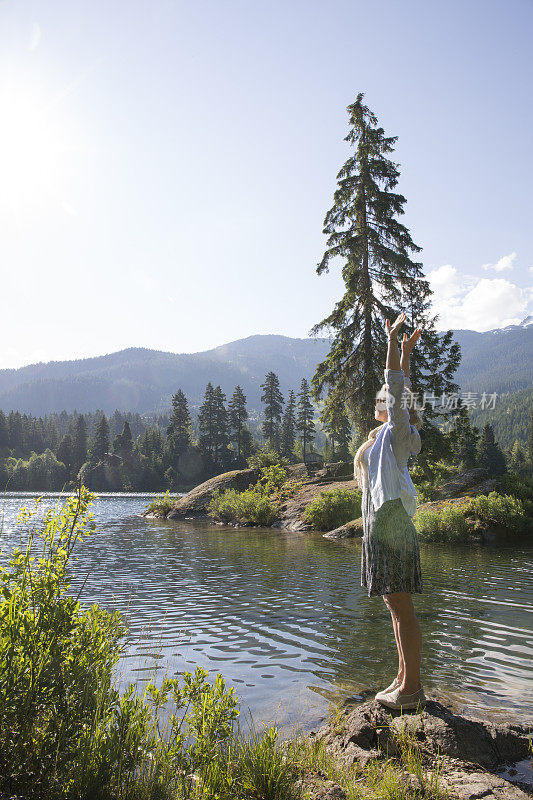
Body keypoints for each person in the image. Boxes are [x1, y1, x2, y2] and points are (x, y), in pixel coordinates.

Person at [353, 311, 426, 711]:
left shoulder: (400, 434)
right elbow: (402, 385)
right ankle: (402, 678)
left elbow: (397, 388)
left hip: (392, 523)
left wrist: (391, 342)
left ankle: (412, 689)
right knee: (394, 607)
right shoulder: (384, 435)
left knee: (402, 608)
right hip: (380, 526)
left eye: (387, 399)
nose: (381, 399)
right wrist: (404, 350)